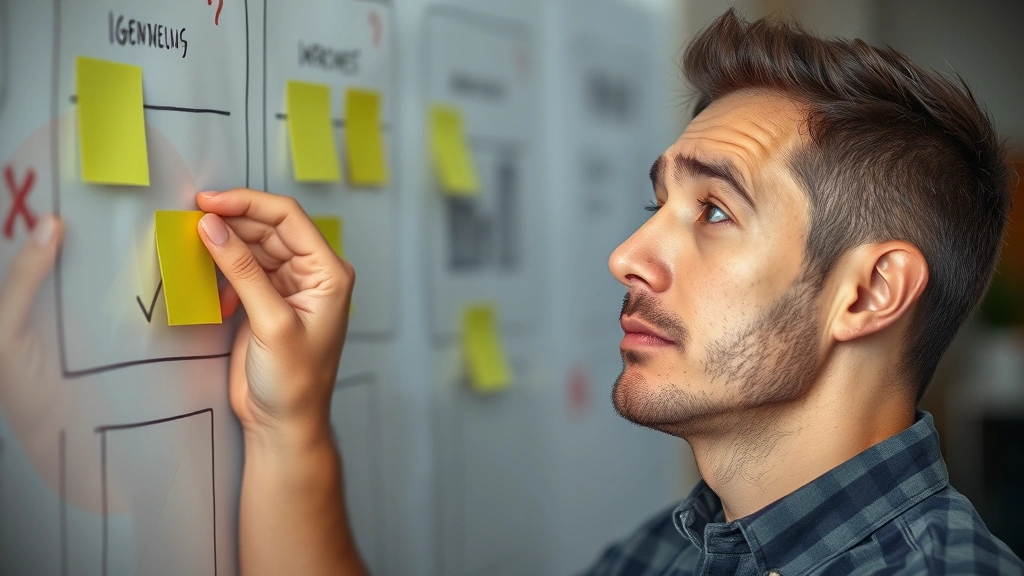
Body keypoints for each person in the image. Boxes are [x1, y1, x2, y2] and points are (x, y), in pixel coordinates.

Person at [2, 8, 1022, 576]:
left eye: (713, 211)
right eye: (656, 202)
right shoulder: (678, 550)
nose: (627, 254)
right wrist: (286, 424)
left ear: (868, 292)